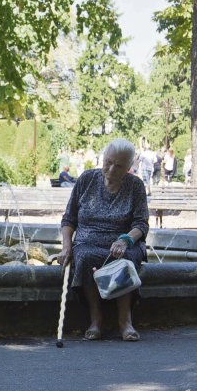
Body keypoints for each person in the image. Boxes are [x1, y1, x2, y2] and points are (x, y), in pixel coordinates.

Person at [57, 138, 148, 342]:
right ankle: (95, 320)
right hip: (88, 241)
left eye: (119, 165)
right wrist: (66, 247)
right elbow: (69, 218)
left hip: (124, 241)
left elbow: (141, 224)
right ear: (103, 158)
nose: (112, 168)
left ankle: (125, 322)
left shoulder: (135, 186)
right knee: (86, 257)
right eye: (109, 162)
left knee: (123, 259)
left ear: (129, 167)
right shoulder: (86, 179)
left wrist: (125, 240)